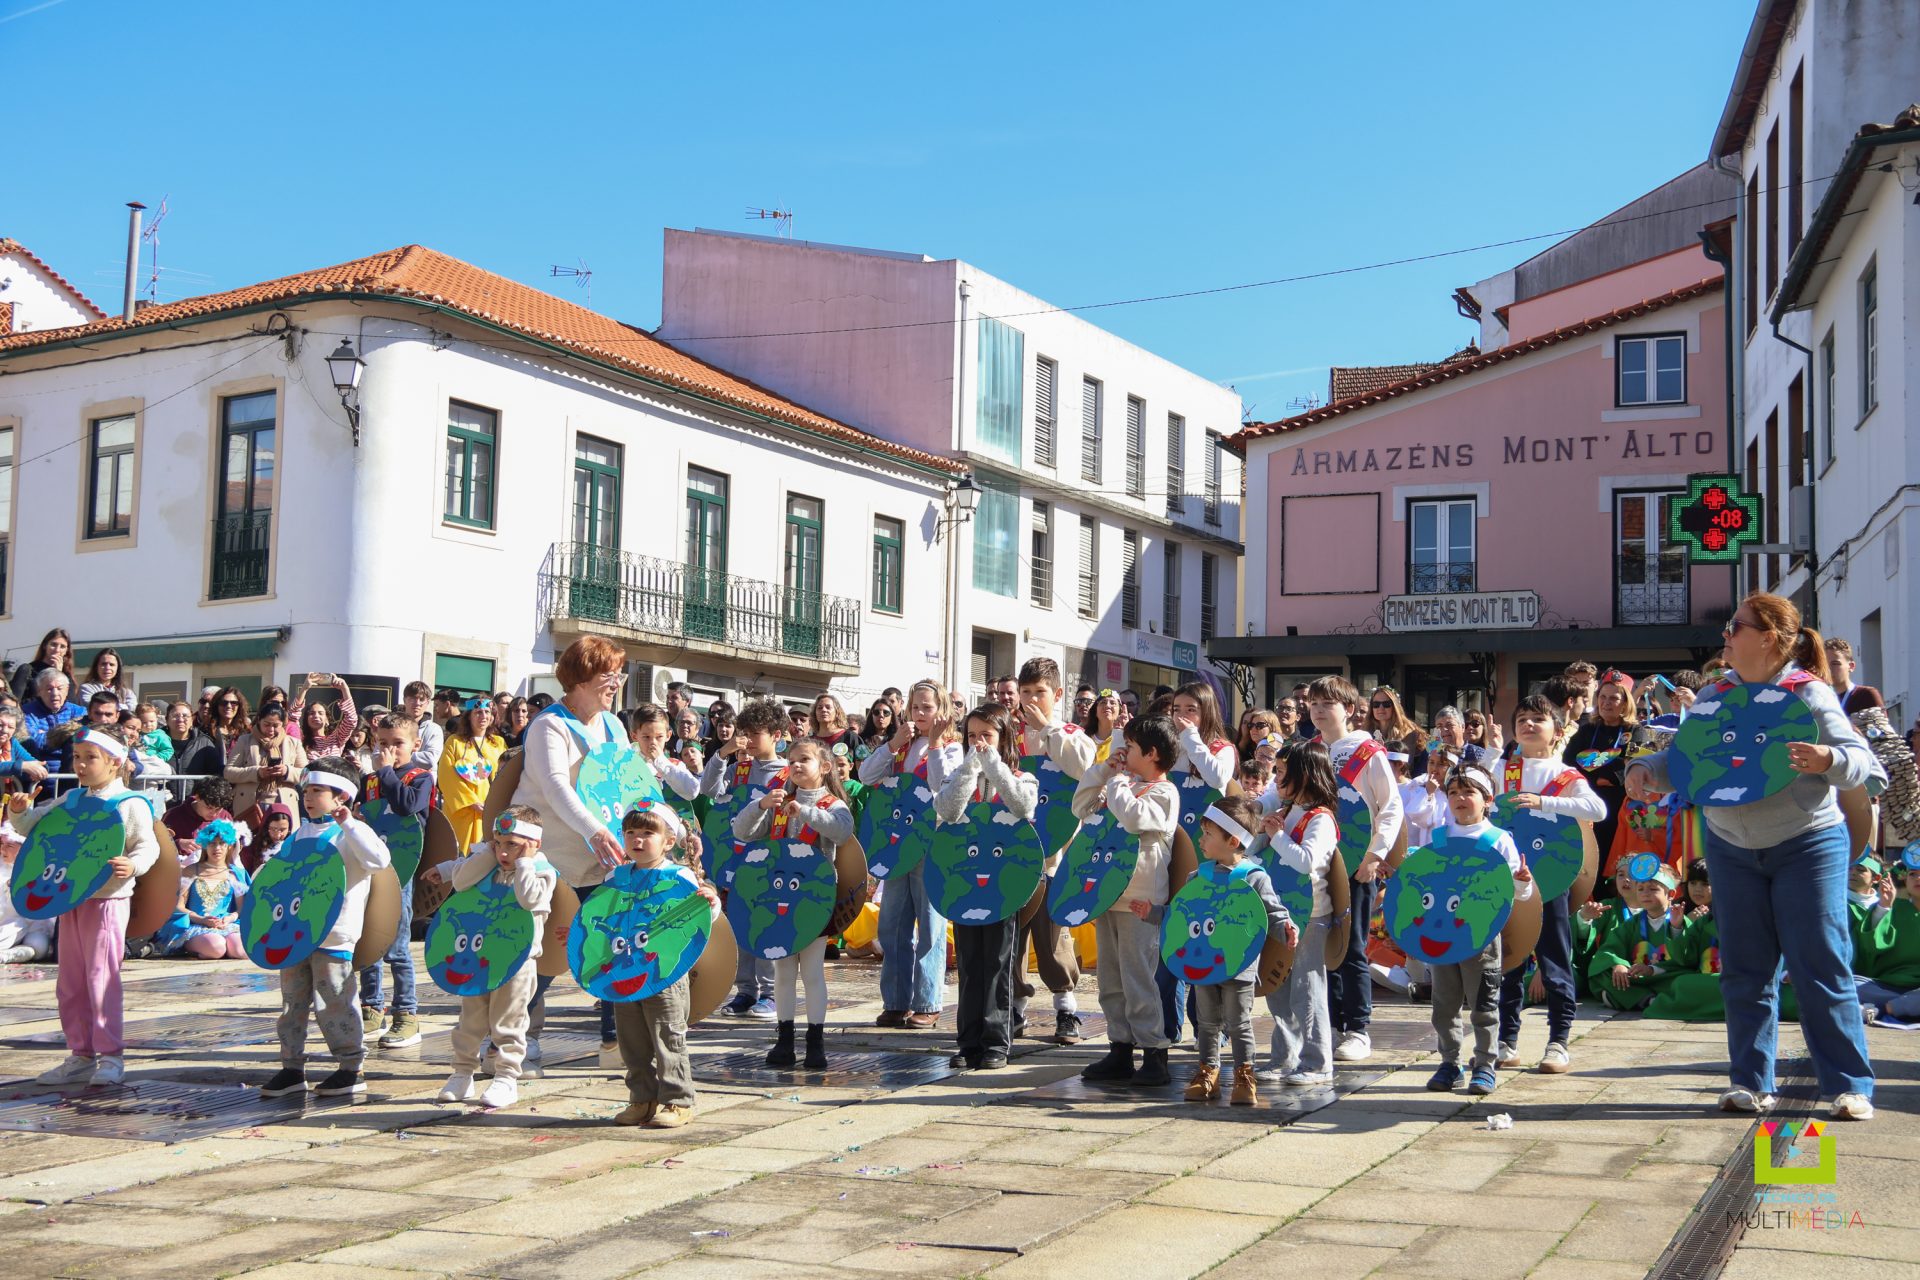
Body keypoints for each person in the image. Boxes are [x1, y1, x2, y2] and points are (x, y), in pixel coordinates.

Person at [1626, 592, 1882, 1121]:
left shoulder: (1808, 692)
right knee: (1744, 970)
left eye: (1735, 627)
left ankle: (1849, 1086)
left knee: (1819, 965)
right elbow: (1687, 757)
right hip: (1731, 846)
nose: (1725, 635)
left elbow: (1863, 762)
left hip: (1807, 843)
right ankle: (1750, 1082)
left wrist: (1827, 758)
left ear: (1767, 639)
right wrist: (1646, 768)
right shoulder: (1715, 693)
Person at [11, 728, 159, 1085]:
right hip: (71, 899)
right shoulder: (72, 798)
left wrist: (133, 865)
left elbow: (148, 846)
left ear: (114, 761)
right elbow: (35, 827)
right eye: (77, 757)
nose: (80, 764)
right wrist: (19, 811)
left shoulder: (130, 803)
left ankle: (110, 1057)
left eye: (90, 758)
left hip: (107, 902)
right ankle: (80, 1054)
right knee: (70, 981)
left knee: (101, 978)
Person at [258, 758, 391, 1099]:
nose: (308, 797)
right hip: (294, 934)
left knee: (335, 1000)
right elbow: (281, 874)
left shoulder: (352, 832)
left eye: (317, 790)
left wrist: (350, 825)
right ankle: (291, 1067)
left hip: (335, 933)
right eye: (306, 791)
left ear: (341, 796)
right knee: (292, 1003)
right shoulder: (301, 833)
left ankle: (350, 1067)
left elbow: (379, 860)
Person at [1492, 694, 1606, 1075]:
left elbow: (1598, 809)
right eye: (1521, 718)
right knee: (1508, 962)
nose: (1528, 724)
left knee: (1555, 959)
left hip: (1552, 879)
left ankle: (1558, 1041)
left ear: (1557, 731)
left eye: (1537, 718)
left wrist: (1545, 803)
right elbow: (1472, 801)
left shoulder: (1565, 776)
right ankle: (1506, 1040)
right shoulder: (1501, 769)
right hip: (1507, 879)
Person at [1072, 713, 1181, 1086]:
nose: (1124, 751)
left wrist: (1117, 782)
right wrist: (1104, 771)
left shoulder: (1164, 793)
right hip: (1107, 895)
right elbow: (1081, 807)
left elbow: (1134, 819)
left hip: (1140, 902)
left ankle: (1154, 1051)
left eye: (1131, 747)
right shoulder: (1124, 785)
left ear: (1152, 754)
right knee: (1111, 980)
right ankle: (1120, 1047)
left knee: (1139, 979)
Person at [732, 738, 853, 1071]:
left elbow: (842, 832)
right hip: (780, 900)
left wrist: (806, 812)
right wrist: (761, 805)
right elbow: (742, 831)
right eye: (792, 760)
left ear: (824, 767)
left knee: (812, 972)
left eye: (804, 760)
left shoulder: (832, 804)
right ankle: (784, 1040)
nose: (796, 765)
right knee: (783, 972)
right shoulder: (779, 801)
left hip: (814, 901)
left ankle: (816, 1042)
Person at [931, 703, 1040, 1071]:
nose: (978, 743)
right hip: (965, 883)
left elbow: (1023, 806)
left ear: (1003, 738)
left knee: (997, 961)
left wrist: (993, 764)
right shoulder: (959, 775)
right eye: (972, 736)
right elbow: (947, 810)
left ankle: (996, 1041)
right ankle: (968, 1042)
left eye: (987, 736)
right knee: (969, 962)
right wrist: (969, 769)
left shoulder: (1023, 777)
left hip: (1003, 884)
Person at [429, 805, 557, 1110]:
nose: (503, 852)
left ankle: (506, 1077)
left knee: (508, 1020)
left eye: (512, 844)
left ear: (533, 844)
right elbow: (461, 882)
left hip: (516, 962)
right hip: (478, 957)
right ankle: (462, 1073)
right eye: (497, 843)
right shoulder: (489, 865)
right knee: (470, 1019)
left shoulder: (542, 870)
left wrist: (524, 863)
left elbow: (529, 899)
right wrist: (486, 854)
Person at [1307, 676, 1404, 1064]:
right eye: (1313, 703)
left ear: (1348, 709)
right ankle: (1328, 1024)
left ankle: (1358, 1029)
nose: (1318, 710)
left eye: (1327, 703)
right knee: (1321, 945)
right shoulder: (1309, 750)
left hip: (1357, 864)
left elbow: (1391, 807)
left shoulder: (1367, 752)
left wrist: (1375, 855)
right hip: (1316, 862)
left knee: (1352, 946)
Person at [608, 800, 720, 1128]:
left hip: (665, 970)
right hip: (625, 969)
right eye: (631, 832)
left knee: (667, 1035)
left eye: (647, 833)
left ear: (669, 841)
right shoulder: (616, 876)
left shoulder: (678, 875)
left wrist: (711, 903)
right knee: (632, 1039)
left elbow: (702, 917)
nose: (637, 839)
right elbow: (602, 917)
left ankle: (678, 1100)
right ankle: (642, 1099)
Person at [1424, 765, 1533, 1097]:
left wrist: (1521, 882)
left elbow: (1519, 893)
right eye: (1453, 792)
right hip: (1441, 935)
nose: (1460, 798)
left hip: (1480, 936)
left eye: (1468, 792)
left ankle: (1485, 1064)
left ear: (1487, 800)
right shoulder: (1438, 837)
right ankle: (1450, 1063)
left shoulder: (1498, 840)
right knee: (1444, 1004)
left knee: (1483, 1004)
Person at [859, 679, 962, 1030]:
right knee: (891, 925)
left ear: (941, 710)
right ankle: (896, 1001)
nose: (919, 713)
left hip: (930, 844)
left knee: (931, 925)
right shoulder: (901, 745)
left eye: (927, 707)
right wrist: (891, 745)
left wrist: (934, 744)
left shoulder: (952, 747)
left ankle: (928, 1001)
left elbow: (941, 785)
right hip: (897, 845)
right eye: (915, 707)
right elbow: (866, 775)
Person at [1184, 794, 1294, 1106]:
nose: (1201, 839)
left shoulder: (1254, 877)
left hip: (1240, 965)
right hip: (1204, 963)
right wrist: (1153, 913)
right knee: (1207, 1023)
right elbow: (1182, 915)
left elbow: (1273, 913)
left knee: (1239, 1023)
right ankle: (1208, 1073)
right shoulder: (1198, 876)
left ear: (1233, 841)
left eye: (1208, 834)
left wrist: (1287, 928)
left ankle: (1245, 1076)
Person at [1012, 657, 1097, 1043]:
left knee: (1052, 935)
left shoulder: (1072, 733)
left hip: (1054, 856)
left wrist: (1047, 729)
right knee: (1013, 937)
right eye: (1026, 692)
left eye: (1040, 692)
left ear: (1058, 694)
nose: (1032, 699)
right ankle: (1015, 1007)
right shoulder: (1012, 734)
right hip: (1012, 854)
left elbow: (1082, 766)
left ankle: (1066, 1009)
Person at [1258, 740, 1341, 1086]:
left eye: (1281, 771)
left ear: (1303, 775)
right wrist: (1266, 831)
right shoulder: (1288, 810)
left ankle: (1318, 1062)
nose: (1275, 778)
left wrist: (1277, 835)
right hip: (1281, 911)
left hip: (1310, 914)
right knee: (1277, 984)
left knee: (1307, 988)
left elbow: (1306, 861)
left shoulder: (1320, 818)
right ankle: (1284, 1056)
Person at [702, 698, 791, 1021]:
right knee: (740, 924)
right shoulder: (738, 768)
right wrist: (722, 753)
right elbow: (707, 789)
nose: (749, 739)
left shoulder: (788, 773)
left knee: (766, 926)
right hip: (736, 862)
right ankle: (745, 990)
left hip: (771, 862)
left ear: (776, 735)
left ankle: (771, 993)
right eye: (745, 733)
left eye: (756, 733)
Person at [1159, 682, 1238, 1042]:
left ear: (1206, 711)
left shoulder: (1222, 748)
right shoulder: (1171, 748)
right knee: (1169, 943)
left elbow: (1217, 777)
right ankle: (1166, 1027)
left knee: (1205, 942)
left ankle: (1210, 1029)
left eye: (1191, 709)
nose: (1181, 716)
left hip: (1207, 856)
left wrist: (1191, 738)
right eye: (1177, 709)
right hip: (1171, 853)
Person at [358, 714, 437, 1050]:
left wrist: (387, 772)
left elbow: (406, 806)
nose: (389, 750)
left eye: (397, 743)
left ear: (415, 745)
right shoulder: (371, 781)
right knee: (370, 941)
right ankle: (371, 1007)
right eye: (383, 743)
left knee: (397, 946)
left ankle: (407, 1013)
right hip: (371, 870)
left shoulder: (421, 778)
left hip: (401, 872)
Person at [1565, 669, 1636, 870]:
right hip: (1588, 803)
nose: (1606, 703)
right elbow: (1569, 762)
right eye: (1603, 697)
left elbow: (1632, 766)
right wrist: (1599, 778)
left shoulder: (1635, 731)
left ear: (1625, 703)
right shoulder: (1587, 730)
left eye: (1614, 698)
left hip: (1620, 807)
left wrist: (1610, 776)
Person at [155, 820, 249, 959]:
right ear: (204, 845)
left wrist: (229, 918)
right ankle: (193, 948)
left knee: (240, 950)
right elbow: (178, 906)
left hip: (226, 926)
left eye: (222, 843)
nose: (217, 848)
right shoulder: (191, 871)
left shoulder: (235, 874)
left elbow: (241, 908)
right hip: (197, 926)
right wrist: (202, 920)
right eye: (212, 843)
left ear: (229, 846)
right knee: (216, 947)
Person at [438, 697, 505, 851]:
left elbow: (504, 773)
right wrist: (471, 801)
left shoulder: (498, 743)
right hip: (462, 811)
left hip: (489, 810)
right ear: (469, 716)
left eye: (487, 712)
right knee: (459, 854)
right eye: (478, 712)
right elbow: (446, 775)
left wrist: (496, 802)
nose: (483, 716)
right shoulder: (455, 742)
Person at [225, 705, 309, 822]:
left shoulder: (293, 743)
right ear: (259, 720)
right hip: (250, 804)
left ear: (283, 724)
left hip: (284, 803)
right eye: (266, 724)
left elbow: (306, 775)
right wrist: (257, 772)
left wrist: (287, 771)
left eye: (276, 725)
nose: (271, 729)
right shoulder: (245, 740)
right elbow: (229, 773)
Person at [22, 669, 84, 778]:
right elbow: (32, 742)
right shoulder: (27, 712)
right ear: (39, 691)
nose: (55, 693)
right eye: (49, 689)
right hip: (41, 774)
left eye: (59, 688)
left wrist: (46, 734)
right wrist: (67, 733)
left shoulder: (79, 711)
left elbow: (82, 741)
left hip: (74, 772)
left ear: (67, 690)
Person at [293, 675, 360, 757]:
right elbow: (293, 717)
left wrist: (344, 688)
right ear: (306, 719)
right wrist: (304, 689)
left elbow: (351, 720)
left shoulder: (337, 738)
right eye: (311, 713)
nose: (316, 716)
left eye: (320, 713)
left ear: (327, 719)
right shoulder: (301, 739)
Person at [1365, 687, 1426, 776]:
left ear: (1395, 707)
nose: (1380, 708)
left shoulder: (1408, 733)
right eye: (1376, 704)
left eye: (1386, 704)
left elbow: (1406, 767)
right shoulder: (1366, 732)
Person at [0, 697, 50, 795]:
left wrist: (38, 770)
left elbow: (36, 764)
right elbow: (22, 766)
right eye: (0, 725)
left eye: (10, 727)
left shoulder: (12, 743)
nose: (5, 730)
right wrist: (22, 766)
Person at [10, 629, 74, 704]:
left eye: (62, 647)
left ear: (66, 651)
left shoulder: (66, 674)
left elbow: (72, 704)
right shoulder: (27, 670)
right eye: (53, 645)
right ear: (45, 646)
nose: (57, 650)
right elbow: (14, 701)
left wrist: (58, 674)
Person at [161, 701, 220, 778]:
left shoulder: (204, 744)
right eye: (175, 716)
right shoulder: (155, 742)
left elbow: (215, 774)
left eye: (185, 716)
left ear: (191, 720)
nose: (180, 719)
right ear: (167, 720)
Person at [1825, 639, 1884, 715]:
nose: (1829, 669)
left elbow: (1880, 722)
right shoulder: (1820, 700)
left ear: (1851, 666)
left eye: (1835, 663)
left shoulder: (1866, 695)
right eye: (1824, 664)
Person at [76, 648, 135, 716]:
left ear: (118, 668)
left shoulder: (126, 692)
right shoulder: (86, 688)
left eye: (111, 664)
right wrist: (122, 707)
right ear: (96, 667)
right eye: (103, 664)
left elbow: (132, 710)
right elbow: (93, 707)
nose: (107, 668)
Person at [401, 681, 445, 771]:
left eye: (421, 699)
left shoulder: (434, 729)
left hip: (423, 779)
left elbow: (430, 760)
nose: (417, 703)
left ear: (427, 702)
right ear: (404, 700)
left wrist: (398, 754)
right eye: (413, 698)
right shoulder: (393, 726)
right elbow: (377, 756)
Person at [206, 686, 252, 766]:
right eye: (224, 703)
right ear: (216, 705)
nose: (229, 706)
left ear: (239, 706)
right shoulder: (206, 730)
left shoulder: (246, 731)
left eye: (233, 703)